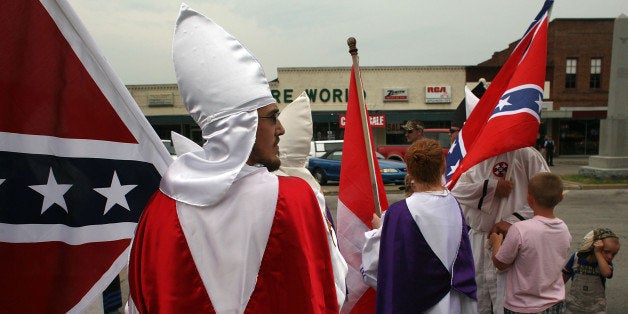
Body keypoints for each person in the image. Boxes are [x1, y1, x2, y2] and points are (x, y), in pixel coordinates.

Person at [128, 5, 342, 312]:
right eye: (271, 118)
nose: (280, 128)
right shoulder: (295, 199)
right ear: (242, 127)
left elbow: (138, 304)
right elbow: (330, 292)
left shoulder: (157, 213)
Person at [361, 138, 477, 313]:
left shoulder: (398, 214)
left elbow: (376, 269)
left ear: (409, 170)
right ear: (443, 167)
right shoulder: (454, 205)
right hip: (452, 304)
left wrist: (379, 231)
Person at [450, 146, 550, 314]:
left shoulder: (527, 155)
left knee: (506, 300)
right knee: (476, 300)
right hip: (477, 238)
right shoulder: (472, 154)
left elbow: (547, 194)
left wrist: (513, 221)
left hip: (512, 238)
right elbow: (454, 188)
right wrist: (490, 188)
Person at [489, 172, 571, 313]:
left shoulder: (520, 230)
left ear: (529, 199)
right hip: (555, 303)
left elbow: (500, 263)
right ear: (561, 199)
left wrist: (496, 242)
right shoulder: (564, 229)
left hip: (522, 306)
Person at [562, 228, 620, 313]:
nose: (610, 257)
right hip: (573, 306)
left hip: (596, 308)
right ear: (592, 247)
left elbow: (607, 273)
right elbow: (564, 276)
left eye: (613, 254)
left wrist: (598, 253)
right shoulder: (576, 258)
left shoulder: (606, 264)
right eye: (606, 252)